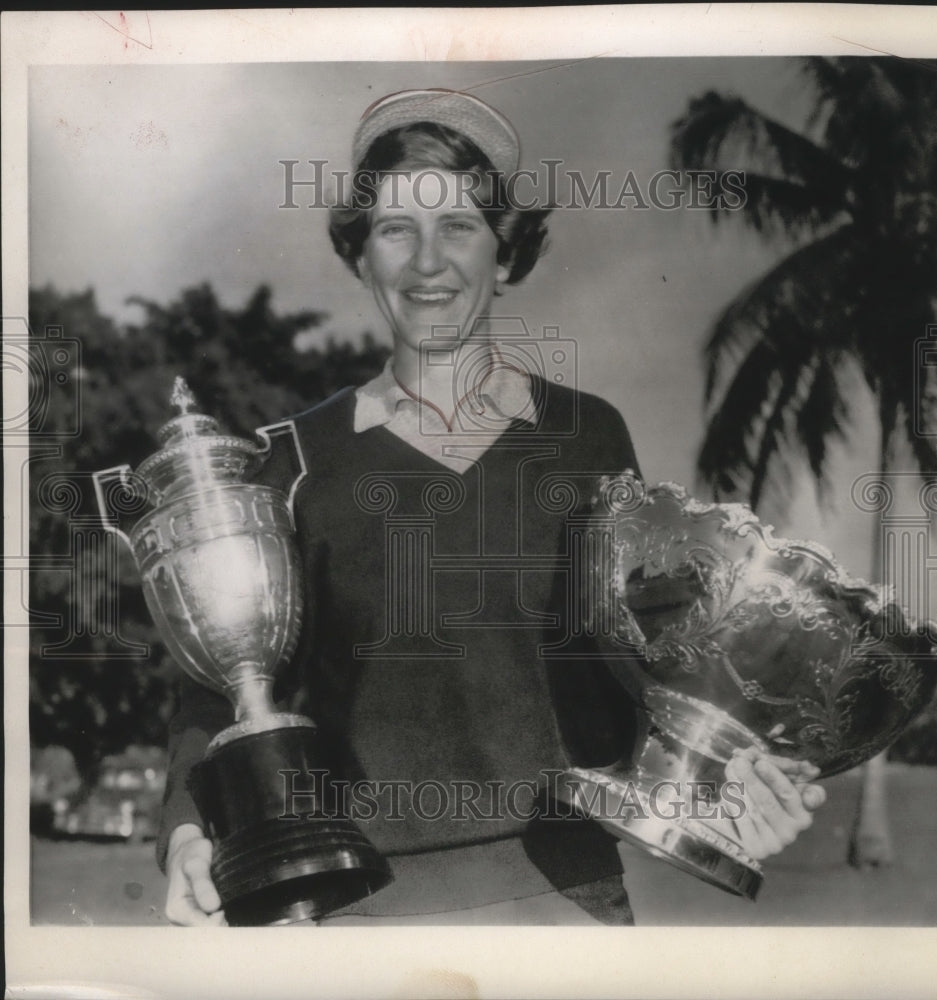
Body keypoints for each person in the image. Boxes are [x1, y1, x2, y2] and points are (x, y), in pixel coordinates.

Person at [159, 89, 826, 926]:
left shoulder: (588, 437)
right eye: (396, 229)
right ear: (360, 255)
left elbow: (653, 665)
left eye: (461, 227)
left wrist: (736, 770)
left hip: (568, 905)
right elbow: (217, 688)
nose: (426, 262)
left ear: (506, 256)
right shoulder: (287, 458)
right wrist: (189, 831)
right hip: (352, 912)